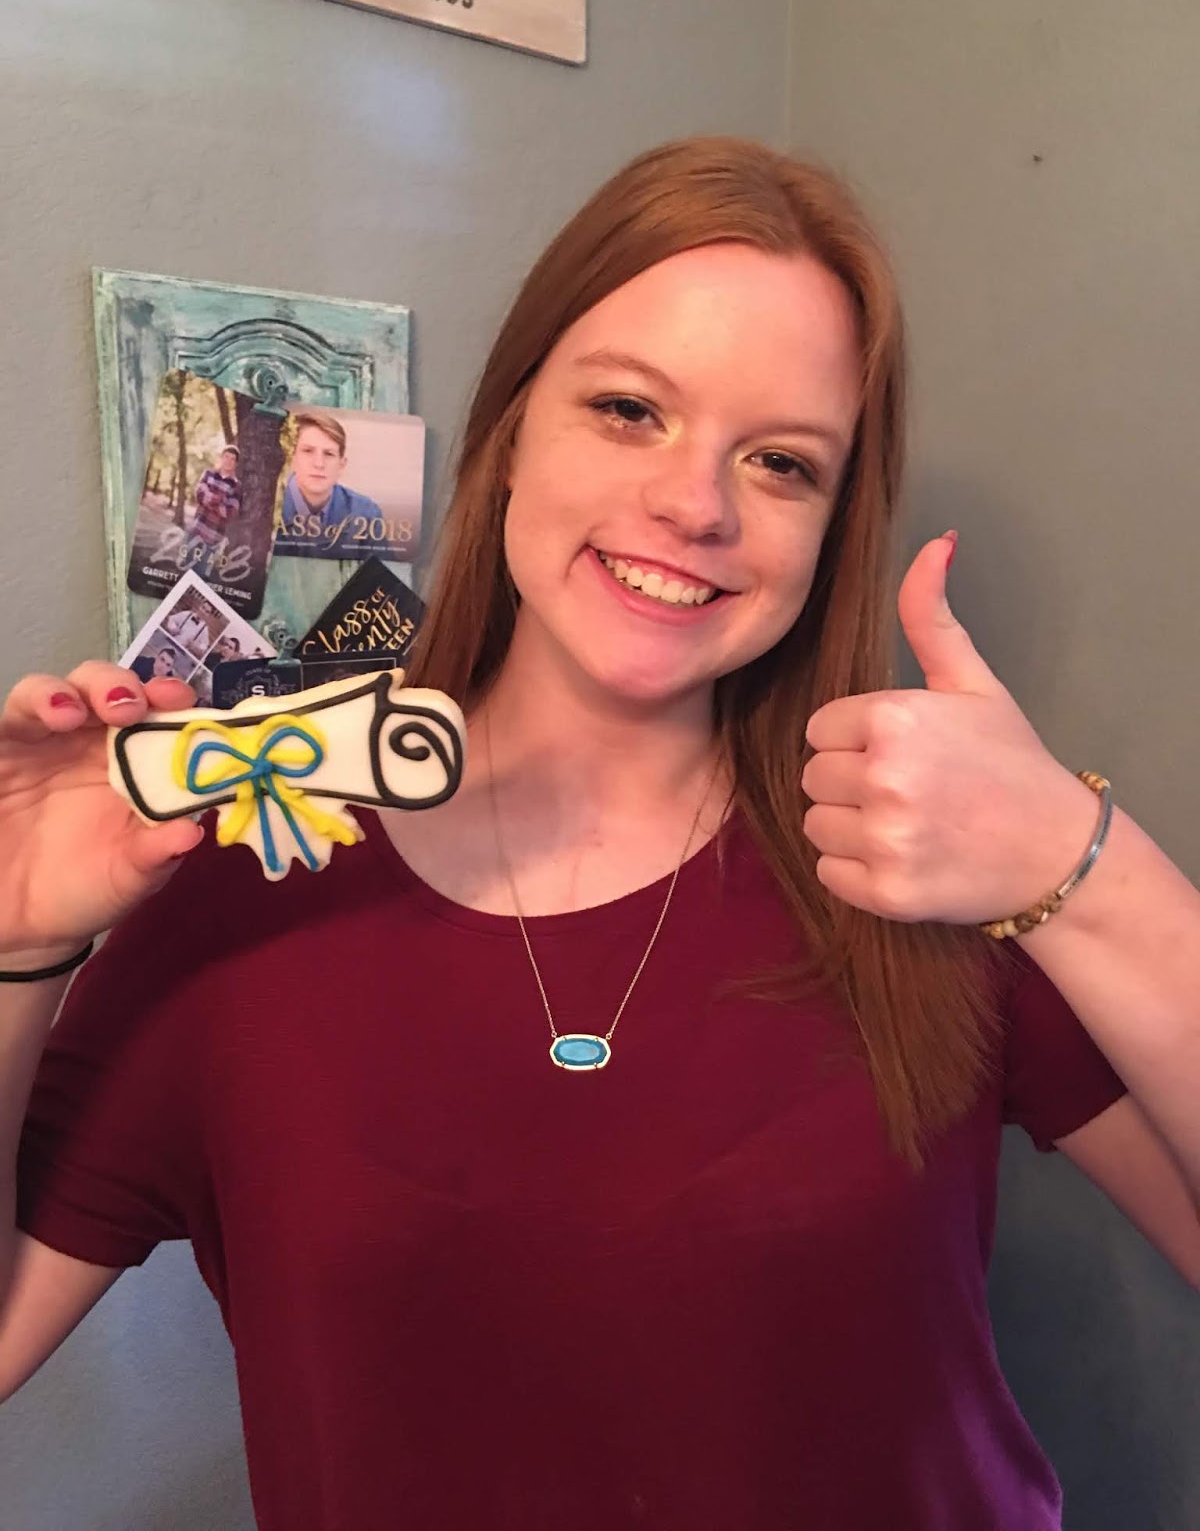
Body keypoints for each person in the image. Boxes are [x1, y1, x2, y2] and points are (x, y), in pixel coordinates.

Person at [0, 138, 1197, 1531]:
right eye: (629, 409)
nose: (696, 504)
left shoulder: (920, 863)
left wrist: (1081, 861)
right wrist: (16, 940)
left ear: (829, 528)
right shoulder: (241, 889)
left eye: (782, 462)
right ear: (512, 434)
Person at [275, 412, 386, 557]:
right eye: (308, 451)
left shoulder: (366, 513)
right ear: (291, 457)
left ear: (341, 465)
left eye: (329, 454)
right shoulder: (265, 506)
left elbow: (383, 568)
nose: (319, 464)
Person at [186, 442, 244, 578]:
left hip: (214, 537)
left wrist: (209, 496)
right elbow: (199, 495)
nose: (228, 461)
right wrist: (220, 500)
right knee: (187, 570)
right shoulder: (209, 474)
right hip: (197, 529)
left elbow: (230, 512)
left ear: (236, 464)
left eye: (232, 459)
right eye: (226, 456)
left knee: (201, 575)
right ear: (221, 458)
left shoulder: (236, 486)